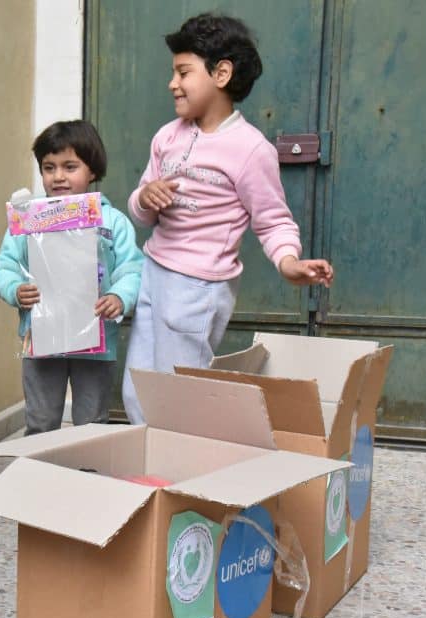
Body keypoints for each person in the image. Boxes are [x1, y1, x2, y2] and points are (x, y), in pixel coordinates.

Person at [121, 13, 335, 424]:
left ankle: (182, 474)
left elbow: (273, 220)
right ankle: (151, 468)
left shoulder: (250, 149)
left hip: (199, 286)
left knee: (177, 394)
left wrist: (288, 262)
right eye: (173, 72)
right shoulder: (167, 136)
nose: (173, 83)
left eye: (183, 72)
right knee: (137, 389)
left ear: (221, 73)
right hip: (154, 272)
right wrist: (145, 197)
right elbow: (139, 208)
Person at [0, 120, 143, 435]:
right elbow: (1, 266)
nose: (58, 176)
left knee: (92, 424)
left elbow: (133, 268)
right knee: (41, 422)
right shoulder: (27, 221)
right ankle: (41, 477)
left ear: (92, 171)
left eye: (70, 167)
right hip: (43, 340)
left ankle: (85, 477)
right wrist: (14, 288)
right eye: (49, 167)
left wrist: (119, 297)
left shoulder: (113, 222)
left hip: (96, 344)